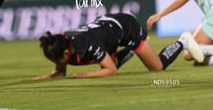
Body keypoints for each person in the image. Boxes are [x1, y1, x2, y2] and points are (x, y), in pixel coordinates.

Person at [33, 13, 202, 79]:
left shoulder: (89, 45)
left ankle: (184, 40)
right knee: (105, 65)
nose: (58, 64)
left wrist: (83, 75)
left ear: (66, 52)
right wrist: (42, 78)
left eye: (58, 60)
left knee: (157, 68)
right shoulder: (61, 42)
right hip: (107, 31)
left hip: (127, 27)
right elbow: (60, 72)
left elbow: (112, 71)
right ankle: (132, 50)